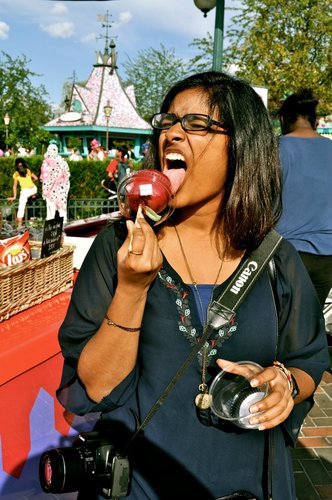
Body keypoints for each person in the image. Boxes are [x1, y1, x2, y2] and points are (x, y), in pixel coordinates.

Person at [56, 72, 329, 499]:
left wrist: (284, 384)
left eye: (197, 124)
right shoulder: (119, 245)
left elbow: (308, 357)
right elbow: (96, 389)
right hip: (139, 485)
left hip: (249, 484)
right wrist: (131, 288)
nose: (172, 134)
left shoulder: (276, 258)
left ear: (243, 146)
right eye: (167, 121)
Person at [277, 89, 332, 310]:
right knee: (310, 324)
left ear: (282, 120)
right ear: (316, 120)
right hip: (328, 255)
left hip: (286, 252)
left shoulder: (277, 149)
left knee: (279, 322)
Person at [40, 144, 70, 224]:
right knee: (62, 212)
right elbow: (67, 176)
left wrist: (44, 192)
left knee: (50, 214)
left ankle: (50, 234)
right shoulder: (62, 161)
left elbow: (45, 179)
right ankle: (64, 230)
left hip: (50, 193)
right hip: (61, 191)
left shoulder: (46, 163)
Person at [7, 157, 38, 227]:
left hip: (26, 191)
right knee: (23, 199)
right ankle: (33, 195)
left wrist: (14, 197)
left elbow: (15, 186)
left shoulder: (16, 174)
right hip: (33, 189)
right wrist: (31, 182)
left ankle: (19, 226)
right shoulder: (27, 170)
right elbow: (36, 178)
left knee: (21, 204)